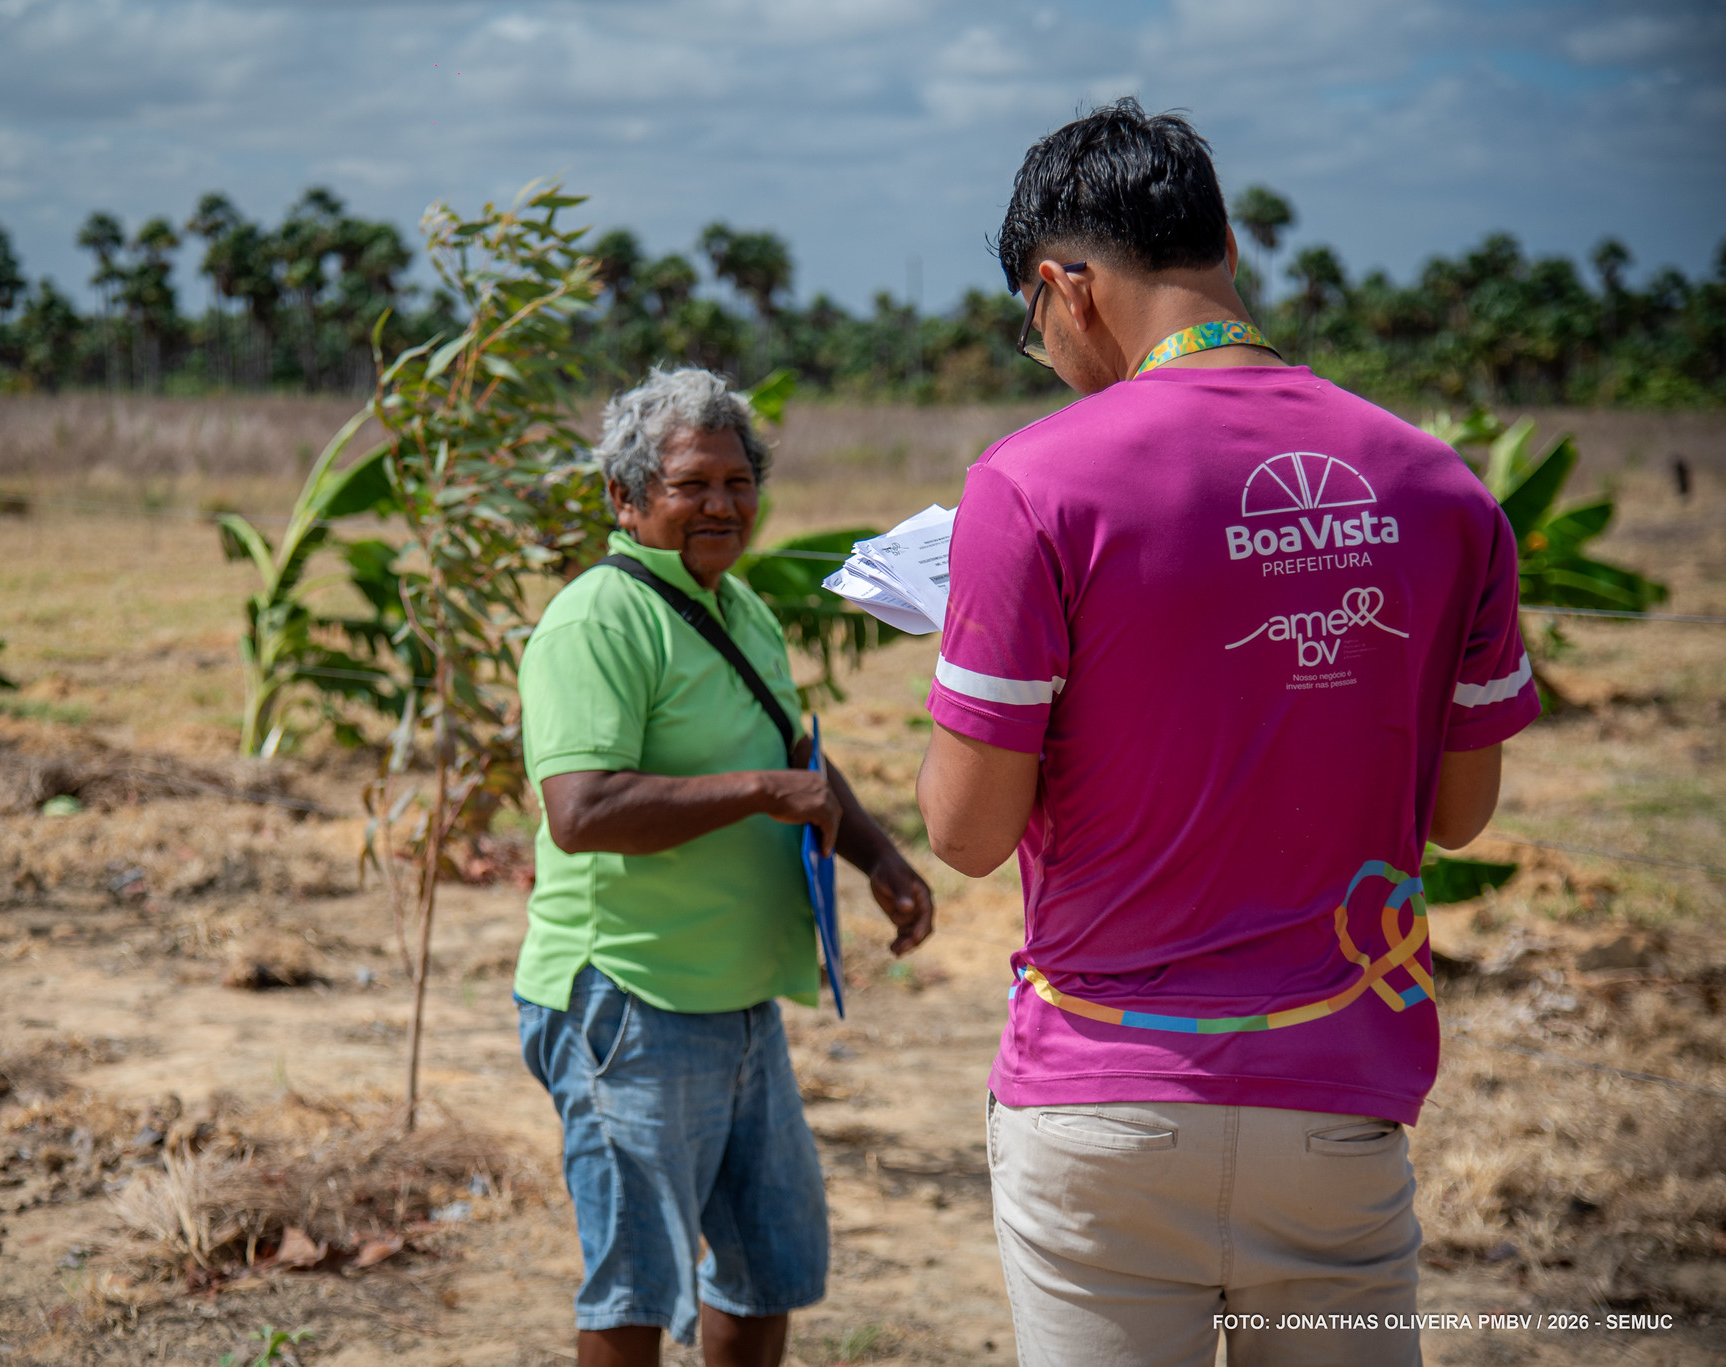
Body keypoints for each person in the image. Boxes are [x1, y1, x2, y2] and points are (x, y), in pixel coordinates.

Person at [915, 100, 1539, 1367]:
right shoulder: (1436, 484)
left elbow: (966, 833)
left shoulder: (1030, 485)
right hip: (1338, 1096)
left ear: (1063, 287)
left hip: (1101, 1102)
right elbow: (1456, 814)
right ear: (1225, 252)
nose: (1044, 353)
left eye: (1031, 327)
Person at [514, 367, 937, 1367]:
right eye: (689, 483)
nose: (721, 503)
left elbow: (794, 749)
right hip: (627, 996)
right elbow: (581, 813)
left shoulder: (735, 602)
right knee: (635, 1282)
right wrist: (756, 792)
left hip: (738, 995)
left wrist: (878, 856)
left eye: (738, 480)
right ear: (622, 499)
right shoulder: (595, 621)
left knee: (766, 1265)